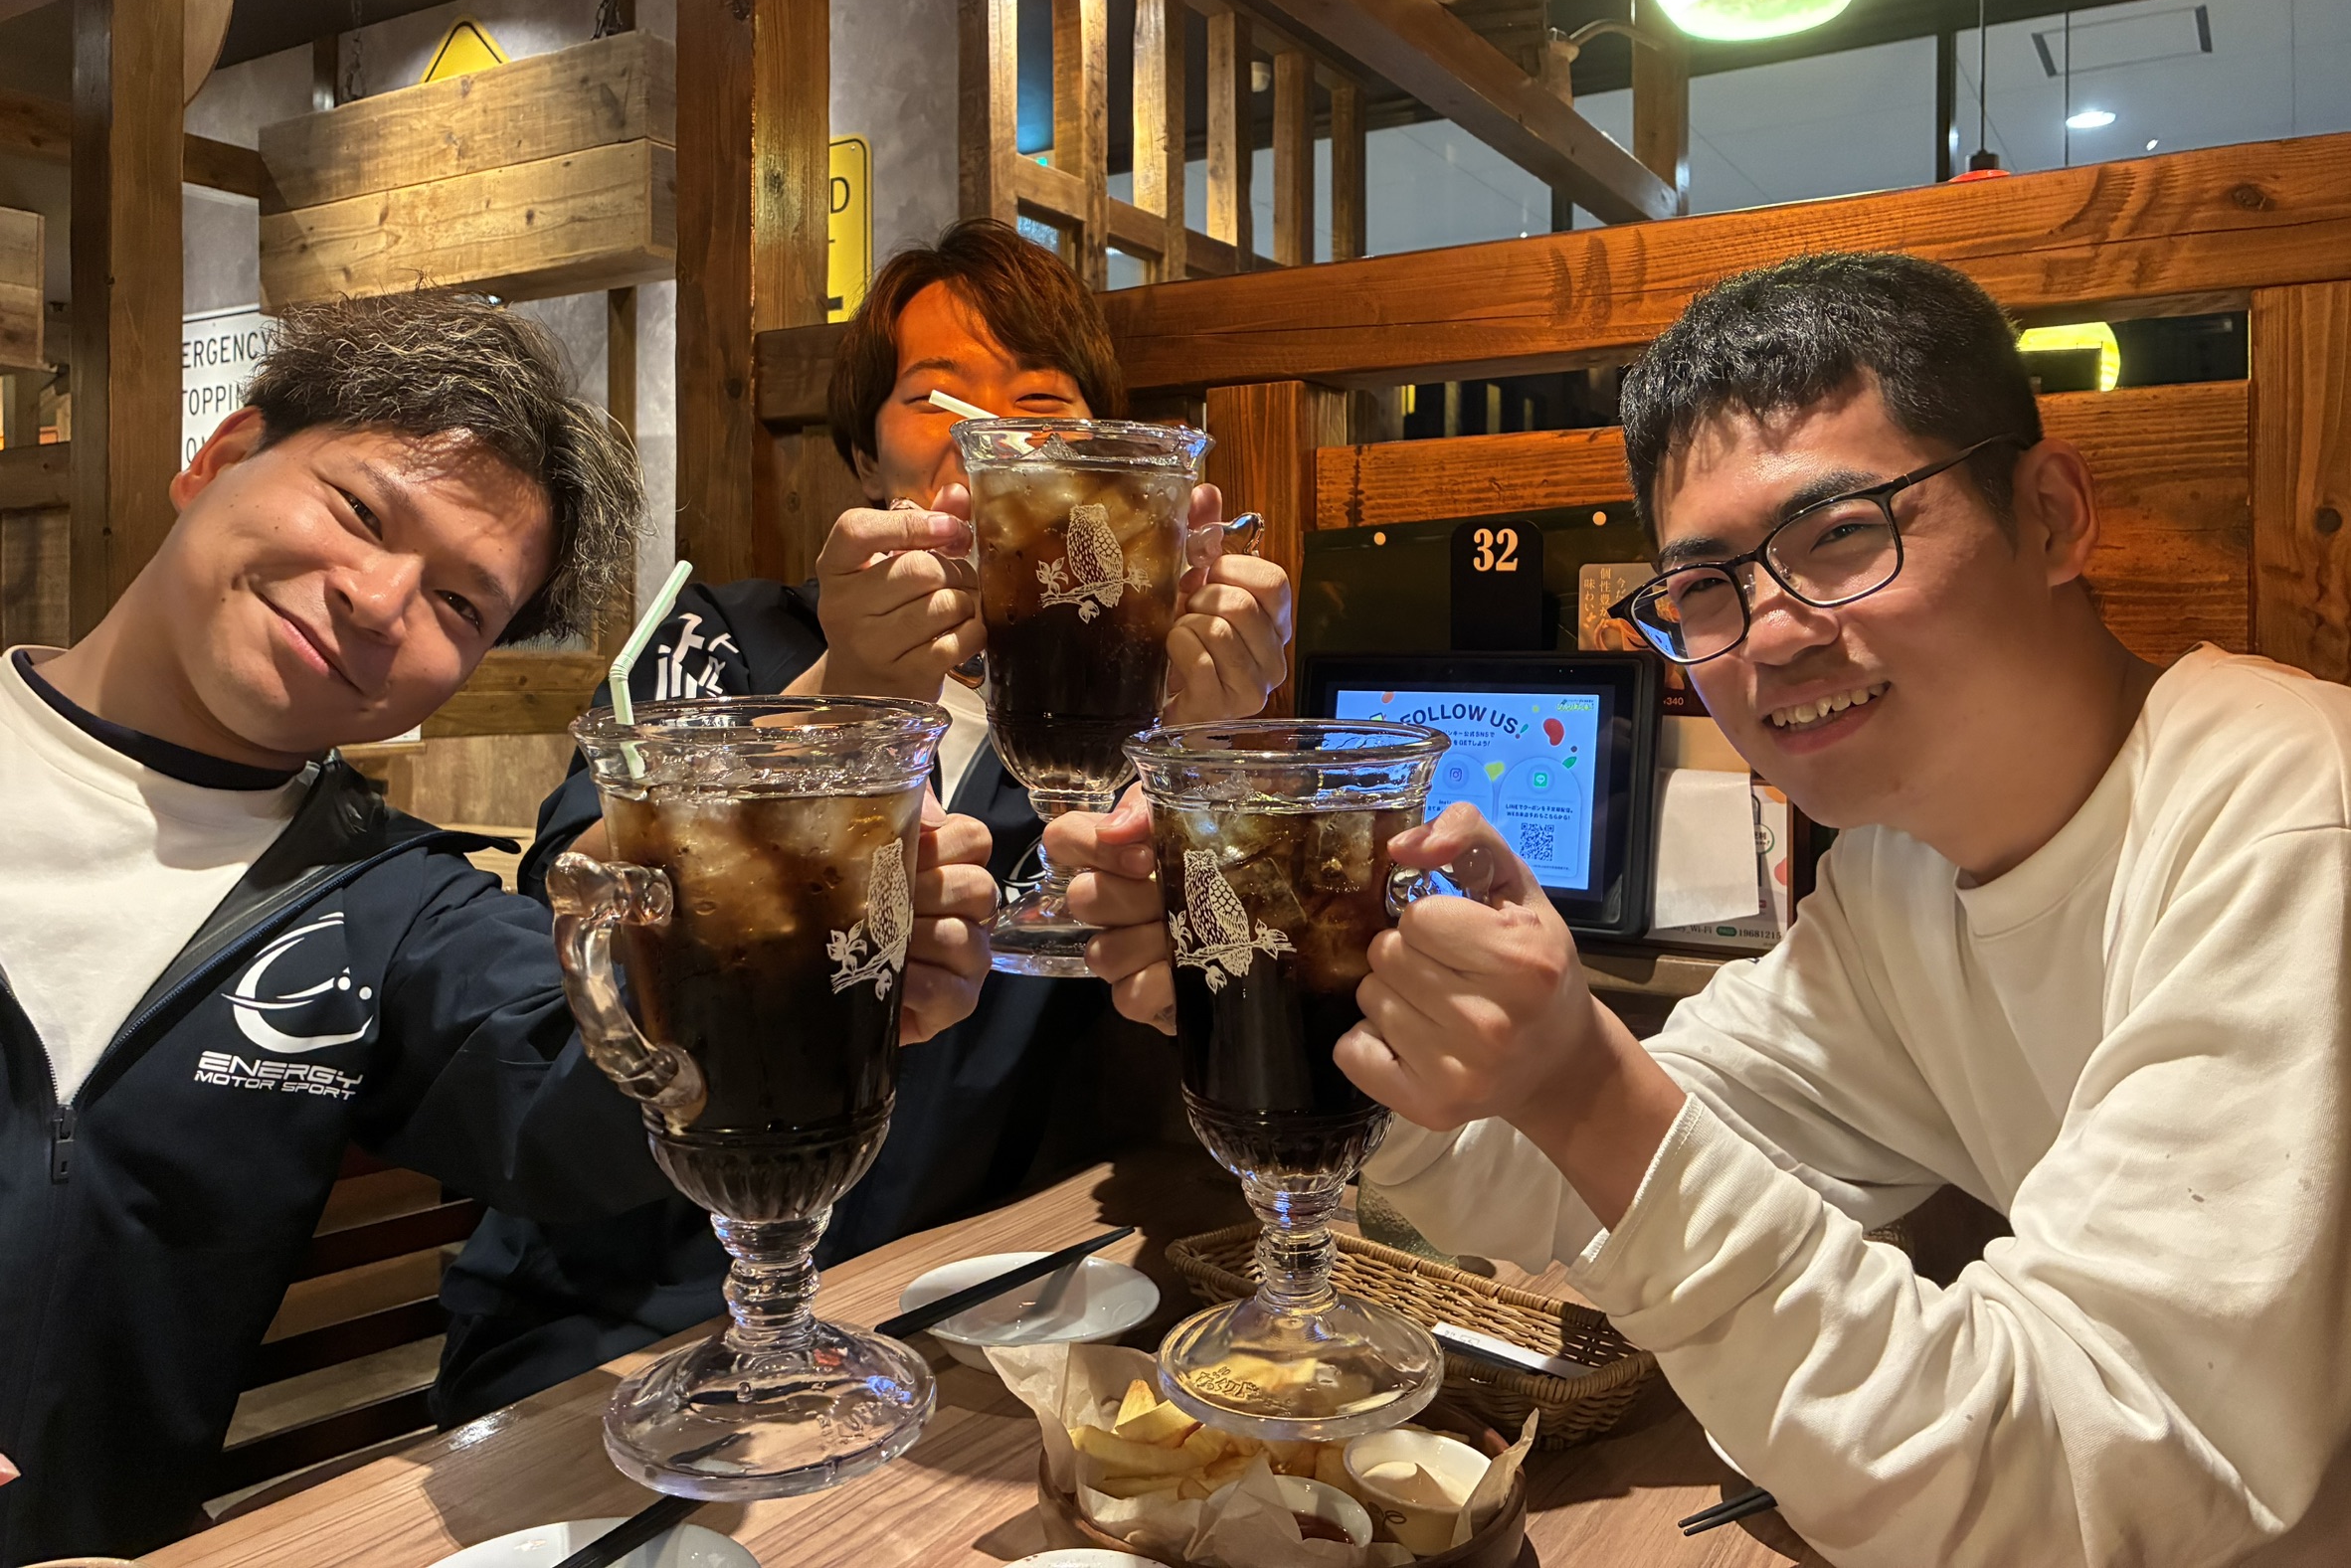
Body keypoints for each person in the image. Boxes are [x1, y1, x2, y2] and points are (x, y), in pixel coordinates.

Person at [1058, 253, 2351, 1566]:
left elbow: (2081, 1482)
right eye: (1707, 590)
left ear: (2054, 515)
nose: (1773, 634)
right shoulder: (1900, 874)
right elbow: (1599, 1171)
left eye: (1842, 534)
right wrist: (1293, 999)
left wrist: (1582, 1085)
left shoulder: (2285, 820)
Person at [0, 292, 997, 1566]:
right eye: (362, 512)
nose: (379, 600)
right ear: (223, 454)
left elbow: (568, 1116)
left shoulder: (384, 901)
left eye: (461, 605)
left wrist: (803, 972)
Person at [431, 219, 1295, 1424]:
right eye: (935, 396)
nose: (989, 433)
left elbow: (1220, 1011)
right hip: (615, 1324)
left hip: (939, 1326)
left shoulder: (1107, 717)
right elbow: (567, 906)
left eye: (1041, 402)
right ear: (864, 450)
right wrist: (845, 691)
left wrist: (1201, 767)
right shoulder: (723, 635)